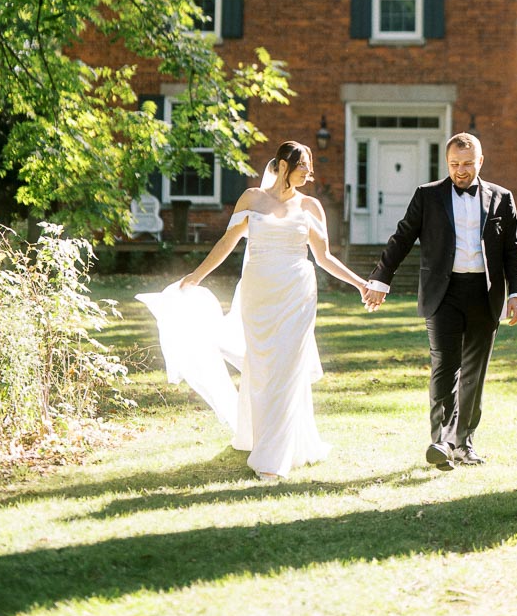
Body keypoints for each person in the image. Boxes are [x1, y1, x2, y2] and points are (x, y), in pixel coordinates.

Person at [137, 140, 368, 481]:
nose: (310, 172)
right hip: (258, 294)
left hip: (297, 295)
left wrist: (361, 283)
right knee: (262, 368)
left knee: (289, 366)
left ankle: (272, 458)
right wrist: (196, 276)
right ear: (283, 165)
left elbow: (324, 258)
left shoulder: (311, 207)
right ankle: (273, 437)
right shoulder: (251, 199)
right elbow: (227, 242)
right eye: (304, 165)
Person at [363, 132, 517, 469]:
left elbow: (514, 249)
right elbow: (402, 237)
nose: (461, 171)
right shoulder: (428, 196)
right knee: (444, 369)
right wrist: (381, 278)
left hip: (485, 293)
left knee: (473, 374)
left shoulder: (502, 198)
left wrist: (516, 293)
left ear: (480, 161)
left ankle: (463, 443)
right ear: (447, 163)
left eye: (467, 164)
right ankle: (439, 442)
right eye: (455, 164)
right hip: (443, 294)